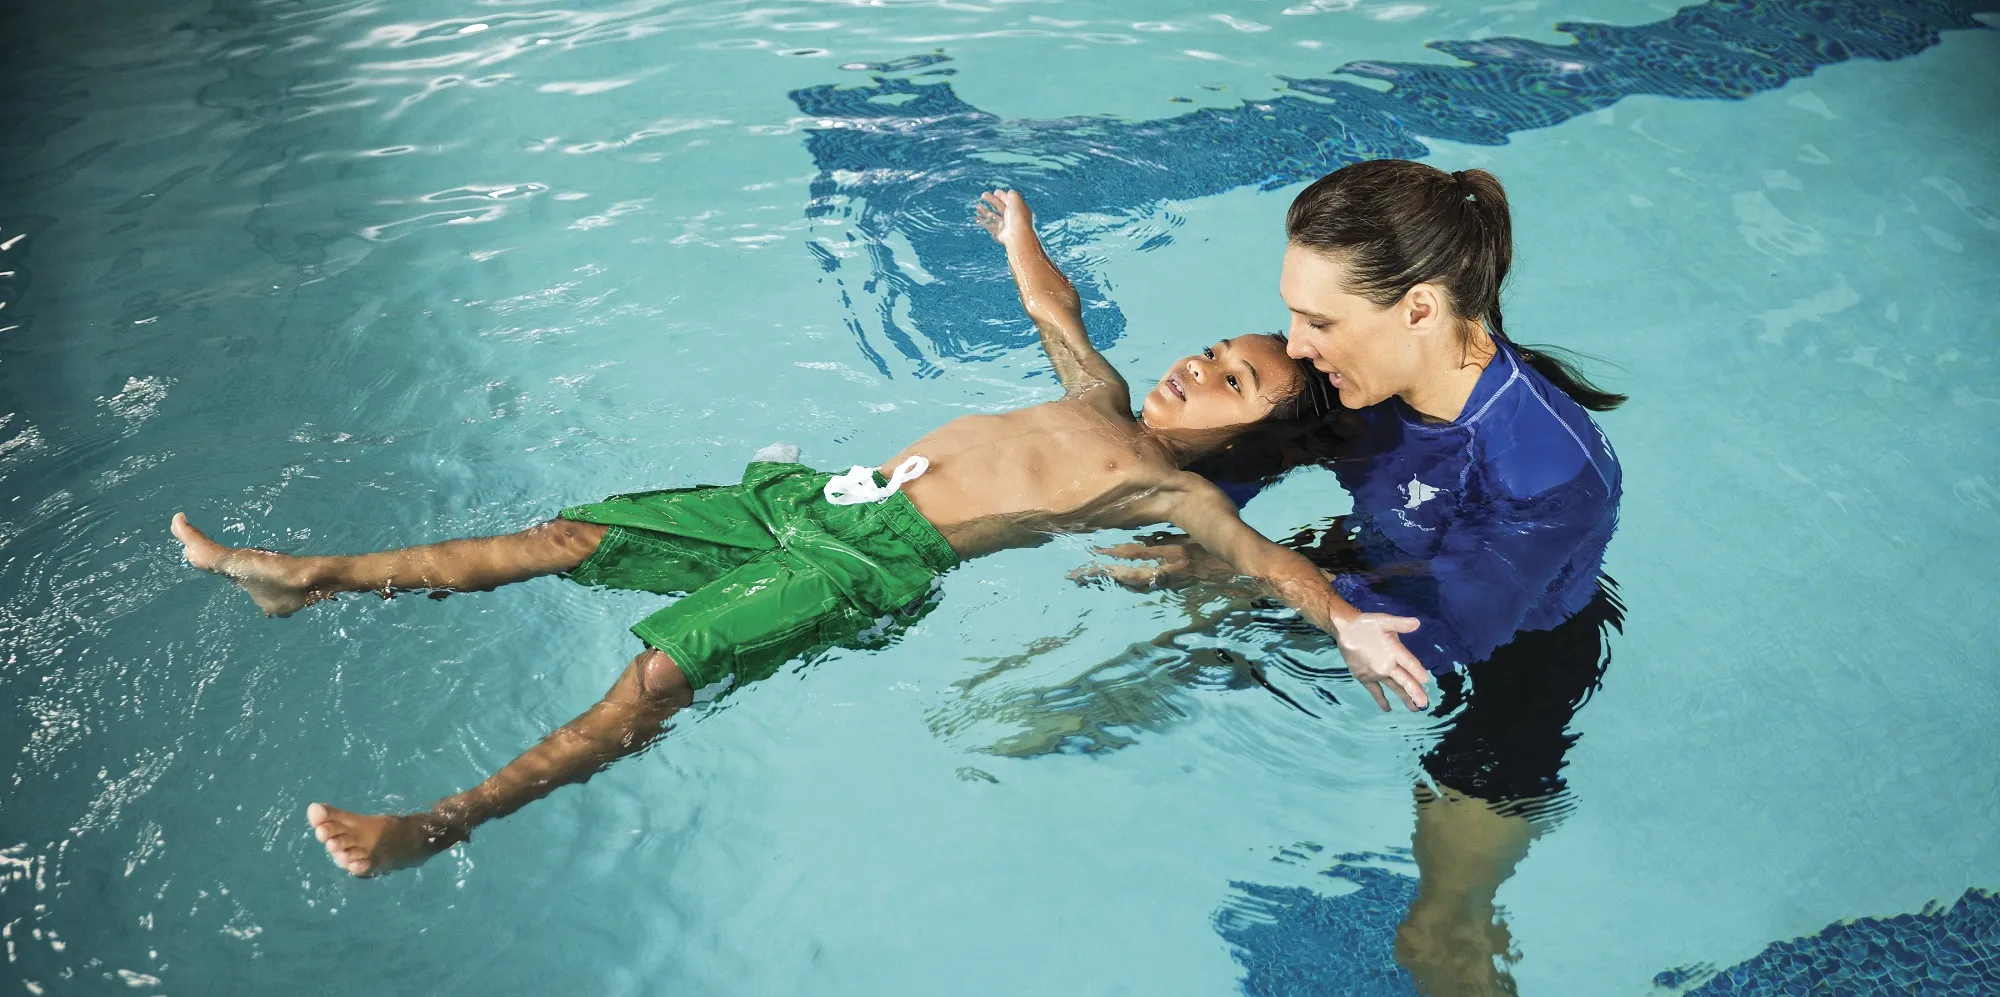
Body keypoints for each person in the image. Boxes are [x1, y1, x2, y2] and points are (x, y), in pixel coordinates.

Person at [171, 189, 1430, 879]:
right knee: (568, 536)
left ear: (1248, 438)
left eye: (1227, 385)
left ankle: (432, 827)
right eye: (1209, 352)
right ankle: (311, 578)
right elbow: (1056, 315)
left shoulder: (1171, 496)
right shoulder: (1100, 398)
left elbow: (1269, 563)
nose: (1191, 374)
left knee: (651, 680)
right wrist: (1019, 237)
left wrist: (1346, 618)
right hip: (815, 499)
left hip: (866, 564)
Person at [1090, 159, 1624, 997]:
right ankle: (1073, 719)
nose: (1299, 340)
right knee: (1171, 592)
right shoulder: (1365, 376)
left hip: (1511, 656)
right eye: (1291, 314)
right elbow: (1213, 448)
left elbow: (1448, 637)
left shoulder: (1546, 471)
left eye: (1319, 320)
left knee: (1438, 943)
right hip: (1376, 566)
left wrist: (1255, 571)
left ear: (1419, 309)